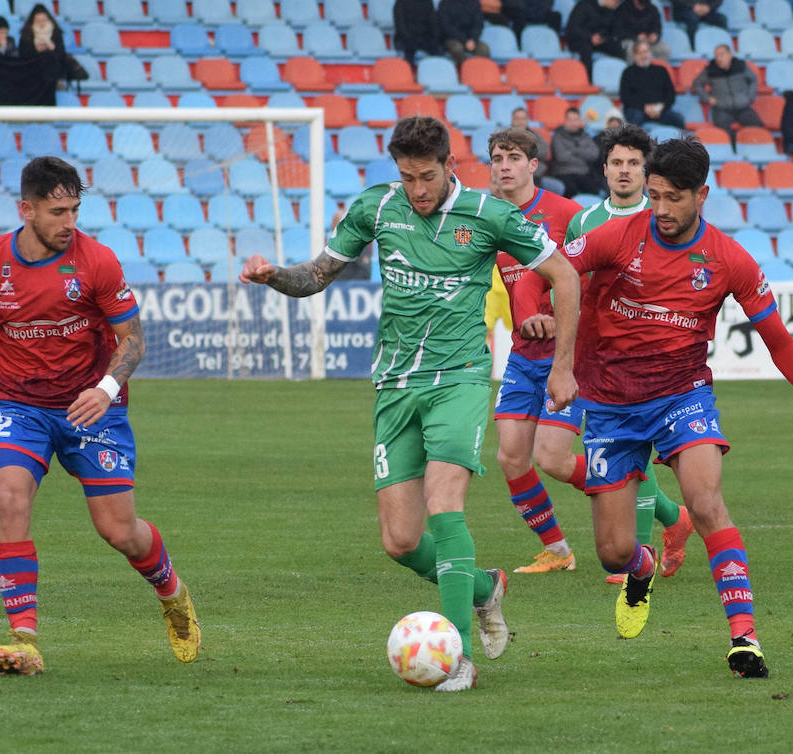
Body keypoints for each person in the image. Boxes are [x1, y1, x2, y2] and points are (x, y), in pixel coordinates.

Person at [241, 116, 583, 691]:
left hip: (460, 379)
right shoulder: (377, 208)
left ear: (450, 165)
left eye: (427, 176)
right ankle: (483, 588)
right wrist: (275, 275)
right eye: (407, 177)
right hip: (396, 385)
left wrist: (565, 364)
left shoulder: (490, 215)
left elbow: (565, 276)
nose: (418, 189)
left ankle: (460, 659)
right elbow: (317, 275)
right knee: (400, 541)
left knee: (444, 502)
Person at [557, 135, 793, 677]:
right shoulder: (617, 236)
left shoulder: (727, 259)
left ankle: (745, 639)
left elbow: (780, 340)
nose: (662, 210)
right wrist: (545, 334)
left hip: (682, 394)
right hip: (610, 401)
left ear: (703, 194)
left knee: (706, 499)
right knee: (613, 552)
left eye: (674, 198)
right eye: (654, 197)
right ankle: (642, 567)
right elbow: (552, 271)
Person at [0, 156, 200, 676]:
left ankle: (172, 593)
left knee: (120, 532)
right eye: (57, 212)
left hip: (93, 407)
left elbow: (133, 338)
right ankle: (24, 639)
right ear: (26, 209)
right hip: (19, 406)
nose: (69, 223)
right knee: (8, 494)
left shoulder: (98, 262)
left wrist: (107, 387)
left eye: (75, 210)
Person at [560, 124, 695, 585]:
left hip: (647, 363)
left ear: (647, 170)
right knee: (556, 456)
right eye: (616, 162)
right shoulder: (585, 221)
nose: (624, 171)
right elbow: (569, 279)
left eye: (633, 163)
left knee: (634, 448)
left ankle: (636, 554)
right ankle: (672, 518)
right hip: (592, 358)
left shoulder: (663, 220)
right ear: (604, 169)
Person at [485, 126, 586, 574]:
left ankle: (658, 509)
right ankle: (558, 552)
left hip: (566, 354)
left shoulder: (566, 213)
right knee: (510, 456)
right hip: (524, 355)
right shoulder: (485, 218)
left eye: (512, 158)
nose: (503, 166)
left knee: (553, 458)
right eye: (496, 158)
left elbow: (584, 274)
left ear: (532, 164)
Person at [690, 44, 762, 133]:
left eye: (722, 55)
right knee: (723, 132)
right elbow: (697, 84)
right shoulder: (710, 69)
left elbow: (753, 79)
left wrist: (750, 97)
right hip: (721, 109)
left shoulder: (741, 66)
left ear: (730, 54)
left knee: (758, 127)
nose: (719, 59)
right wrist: (707, 99)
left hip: (743, 107)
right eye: (716, 56)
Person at [620, 40, 684, 129]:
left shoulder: (661, 70)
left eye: (646, 51)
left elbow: (671, 94)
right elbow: (625, 97)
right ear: (635, 56)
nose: (644, 55)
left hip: (660, 110)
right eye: (640, 53)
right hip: (638, 110)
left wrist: (661, 107)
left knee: (678, 119)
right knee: (635, 120)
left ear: (650, 53)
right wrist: (644, 107)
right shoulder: (628, 72)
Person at [549, 107, 605, 197]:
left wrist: (572, 150)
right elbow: (561, 157)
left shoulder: (585, 136)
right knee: (570, 189)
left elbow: (594, 154)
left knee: (597, 191)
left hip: (583, 173)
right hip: (564, 173)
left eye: (575, 119)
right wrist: (583, 156)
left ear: (580, 121)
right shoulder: (557, 136)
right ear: (565, 121)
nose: (573, 123)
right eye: (570, 120)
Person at [564, 0, 624, 79]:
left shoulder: (611, 11)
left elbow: (613, 30)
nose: (617, 4)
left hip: (600, 41)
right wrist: (590, 37)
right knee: (586, 49)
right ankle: (588, 80)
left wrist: (603, 38)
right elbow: (573, 27)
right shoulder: (584, 5)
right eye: (616, 2)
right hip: (580, 39)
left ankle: (619, 78)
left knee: (617, 48)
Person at [19, 3, 71, 90]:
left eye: (44, 20)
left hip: (54, 74)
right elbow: (22, 56)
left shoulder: (56, 33)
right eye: (38, 20)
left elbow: (62, 54)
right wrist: (35, 49)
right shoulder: (27, 34)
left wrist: (52, 48)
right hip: (33, 73)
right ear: (33, 21)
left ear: (49, 20)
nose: (41, 23)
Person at [438, 0, 491, 66]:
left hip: (471, 39)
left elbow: (478, 24)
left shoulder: (474, 2)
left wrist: (473, 39)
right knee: (457, 48)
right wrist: (464, 40)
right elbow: (446, 26)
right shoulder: (445, 3)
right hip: (452, 38)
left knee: (484, 48)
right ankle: (466, 69)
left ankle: (474, 69)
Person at [392, 0, 441, 66]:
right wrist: (408, 38)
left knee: (437, 49)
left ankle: (436, 73)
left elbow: (433, 23)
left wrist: (434, 37)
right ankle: (408, 72)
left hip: (423, 37)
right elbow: (400, 25)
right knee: (409, 50)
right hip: (405, 38)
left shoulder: (428, 2)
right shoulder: (401, 2)